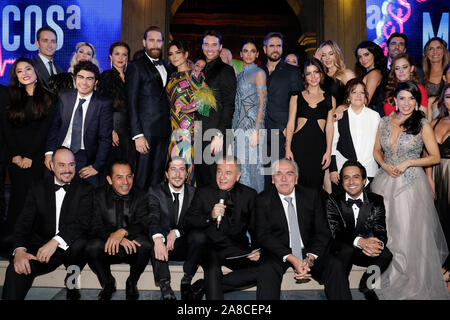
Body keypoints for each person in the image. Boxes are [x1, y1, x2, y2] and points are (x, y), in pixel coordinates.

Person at [371, 81, 449, 299]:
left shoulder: (422, 123)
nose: (406, 103)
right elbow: (376, 150)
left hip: (411, 185)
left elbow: (434, 156)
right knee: (389, 234)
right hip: (384, 182)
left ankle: (410, 283)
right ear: (395, 100)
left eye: (411, 99)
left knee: (408, 236)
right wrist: (384, 164)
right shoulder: (385, 121)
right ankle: (390, 279)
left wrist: (408, 163)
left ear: (417, 102)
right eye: (402, 98)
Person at [1, 147, 93, 300]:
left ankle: (71, 283)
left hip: (70, 248)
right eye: (62, 165)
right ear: (51, 165)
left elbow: (82, 223)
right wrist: (19, 251)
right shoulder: (38, 188)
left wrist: (55, 241)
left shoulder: (85, 189)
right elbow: (24, 223)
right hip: (41, 249)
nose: (68, 170)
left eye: (71, 165)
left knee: (81, 244)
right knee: (16, 268)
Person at [255, 158, 351, 300]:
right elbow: (263, 235)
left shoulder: (311, 196)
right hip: (279, 251)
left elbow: (323, 231)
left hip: (308, 249)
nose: (283, 178)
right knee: (266, 269)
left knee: (334, 265)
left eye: (289, 174)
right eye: (278, 174)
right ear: (273, 179)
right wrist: (292, 258)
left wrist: (310, 257)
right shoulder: (262, 200)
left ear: (296, 179)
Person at [184, 156, 260, 300]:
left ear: (238, 176)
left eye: (228, 173)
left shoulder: (249, 195)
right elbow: (188, 221)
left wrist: (257, 249)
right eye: (219, 172)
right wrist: (210, 216)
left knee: (264, 269)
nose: (222, 177)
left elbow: (255, 227)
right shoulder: (203, 192)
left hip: (236, 248)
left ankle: (203, 285)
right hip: (210, 248)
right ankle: (211, 284)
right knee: (213, 271)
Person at [2, 58, 56, 249]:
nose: (24, 73)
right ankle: (12, 241)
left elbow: (45, 130)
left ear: (35, 71)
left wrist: (31, 157)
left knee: (34, 198)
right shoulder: (12, 96)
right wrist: (15, 155)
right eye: (19, 71)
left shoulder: (49, 97)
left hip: (37, 157)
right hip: (15, 157)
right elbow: (7, 128)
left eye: (28, 69)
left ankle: (32, 240)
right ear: (15, 76)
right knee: (17, 196)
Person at [326, 160, 393, 300]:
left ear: (364, 181)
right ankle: (341, 288)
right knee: (346, 250)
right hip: (341, 248)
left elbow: (380, 229)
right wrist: (360, 241)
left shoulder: (376, 200)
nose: (351, 181)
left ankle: (367, 284)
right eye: (346, 177)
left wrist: (376, 244)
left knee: (386, 254)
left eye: (356, 177)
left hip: (365, 249)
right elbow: (336, 231)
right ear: (341, 181)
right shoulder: (332, 200)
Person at [86, 160, 152, 300]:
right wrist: (113, 236)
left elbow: (144, 223)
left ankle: (132, 282)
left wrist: (123, 232)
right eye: (119, 177)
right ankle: (108, 282)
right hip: (108, 247)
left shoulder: (142, 195)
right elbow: (93, 226)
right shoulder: (97, 195)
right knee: (91, 246)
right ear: (109, 179)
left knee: (145, 245)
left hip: (131, 246)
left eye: (129, 176)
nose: (126, 182)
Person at [45, 61, 113, 187]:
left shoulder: (103, 104)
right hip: (61, 150)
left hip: (85, 156)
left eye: (89, 79)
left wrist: (96, 166)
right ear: (75, 78)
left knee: (89, 191)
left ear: (96, 82)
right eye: (81, 77)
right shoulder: (64, 97)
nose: (84, 82)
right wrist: (49, 154)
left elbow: (105, 138)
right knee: (48, 189)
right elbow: (54, 127)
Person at [148, 157, 206, 300]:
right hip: (163, 246)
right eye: (173, 169)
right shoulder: (155, 192)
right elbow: (153, 218)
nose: (177, 174)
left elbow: (194, 221)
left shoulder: (194, 193)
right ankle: (165, 284)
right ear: (167, 174)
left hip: (184, 244)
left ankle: (187, 279)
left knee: (200, 236)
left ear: (187, 174)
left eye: (181, 170)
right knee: (153, 239)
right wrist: (159, 240)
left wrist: (176, 232)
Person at [126, 25, 171, 189]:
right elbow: (131, 102)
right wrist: (137, 134)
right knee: (142, 176)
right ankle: (137, 213)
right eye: (151, 40)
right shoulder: (135, 66)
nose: (155, 44)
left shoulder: (167, 66)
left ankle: (154, 212)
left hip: (165, 131)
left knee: (158, 176)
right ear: (144, 42)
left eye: (159, 41)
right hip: (145, 132)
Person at [285, 58, 335, 189]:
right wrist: (288, 148)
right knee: (297, 186)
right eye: (308, 73)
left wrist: (328, 151)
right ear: (304, 76)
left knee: (316, 187)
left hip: (319, 148)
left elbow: (330, 127)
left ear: (321, 74)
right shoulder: (296, 96)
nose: (313, 77)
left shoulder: (330, 98)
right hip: (298, 147)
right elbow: (290, 124)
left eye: (316, 72)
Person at [165, 40, 210, 186]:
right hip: (173, 126)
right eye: (171, 54)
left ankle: (188, 203)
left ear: (186, 54)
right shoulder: (171, 76)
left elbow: (206, 103)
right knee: (173, 166)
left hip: (189, 127)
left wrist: (186, 108)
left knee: (186, 166)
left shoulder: (195, 75)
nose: (174, 57)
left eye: (178, 53)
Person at [196, 30, 237, 187]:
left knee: (216, 180)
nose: (210, 48)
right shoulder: (203, 70)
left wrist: (219, 135)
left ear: (220, 47)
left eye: (214, 44)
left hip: (215, 134)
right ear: (202, 46)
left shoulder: (225, 70)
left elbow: (229, 105)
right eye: (206, 44)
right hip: (200, 132)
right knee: (202, 180)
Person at [262, 32, 302, 187]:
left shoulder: (292, 71)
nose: (275, 49)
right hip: (261, 133)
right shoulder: (259, 72)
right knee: (264, 178)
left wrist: (288, 129)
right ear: (265, 49)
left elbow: (295, 105)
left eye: (278, 45)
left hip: (281, 132)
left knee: (280, 177)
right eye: (271, 45)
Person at [330, 79, 380, 194]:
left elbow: (379, 144)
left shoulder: (374, 116)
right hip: (344, 170)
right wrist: (333, 169)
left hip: (369, 170)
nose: (358, 95)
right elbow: (333, 144)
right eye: (354, 92)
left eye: (362, 92)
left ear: (365, 96)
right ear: (348, 97)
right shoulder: (340, 116)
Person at [232, 38, 267, 193]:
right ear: (241, 54)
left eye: (252, 51)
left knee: (253, 170)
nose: (248, 54)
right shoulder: (239, 75)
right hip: (238, 128)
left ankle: (256, 208)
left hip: (252, 128)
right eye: (245, 51)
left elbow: (262, 102)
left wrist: (257, 130)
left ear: (257, 54)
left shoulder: (259, 72)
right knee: (240, 168)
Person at [97, 41, 135, 169]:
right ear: (110, 57)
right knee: (114, 165)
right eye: (117, 54)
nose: (120, 58)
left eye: (124, 55)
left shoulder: (132, 77)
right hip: (114, 128)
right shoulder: (106, 76)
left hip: (130, 130)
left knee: (129, 164)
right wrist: (110, 130)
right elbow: (101, 105)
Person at [427, 83, 450, 289]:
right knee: (438, 222)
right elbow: (427, 154)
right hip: (436, 174)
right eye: (449, 96)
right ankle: (442, 266)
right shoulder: (434, 122)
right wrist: (429, 178)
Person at [383, 53, 428, 118]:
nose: (401, 71)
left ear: (411, 68)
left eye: (405, 67)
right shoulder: (390, 88)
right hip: (390, 126)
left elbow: (423, 117)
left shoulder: (419, 89)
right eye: (397, 68)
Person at [315, 40, 356, 106]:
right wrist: (316, 62)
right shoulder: (319, 76)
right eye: (323, 55)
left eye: (331, 54)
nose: (327, 58)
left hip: (340, 114)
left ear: (336, 55)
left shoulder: (347, 74)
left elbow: (356, 97)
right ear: (320, 58)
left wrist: (343, 106)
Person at [354, 41, 387, 118]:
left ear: (374, 54)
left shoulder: (374, 73)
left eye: (366, 55)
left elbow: (365, 100)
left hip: (372, 116)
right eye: (360, 57)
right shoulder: (371, 73)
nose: (363, 59)